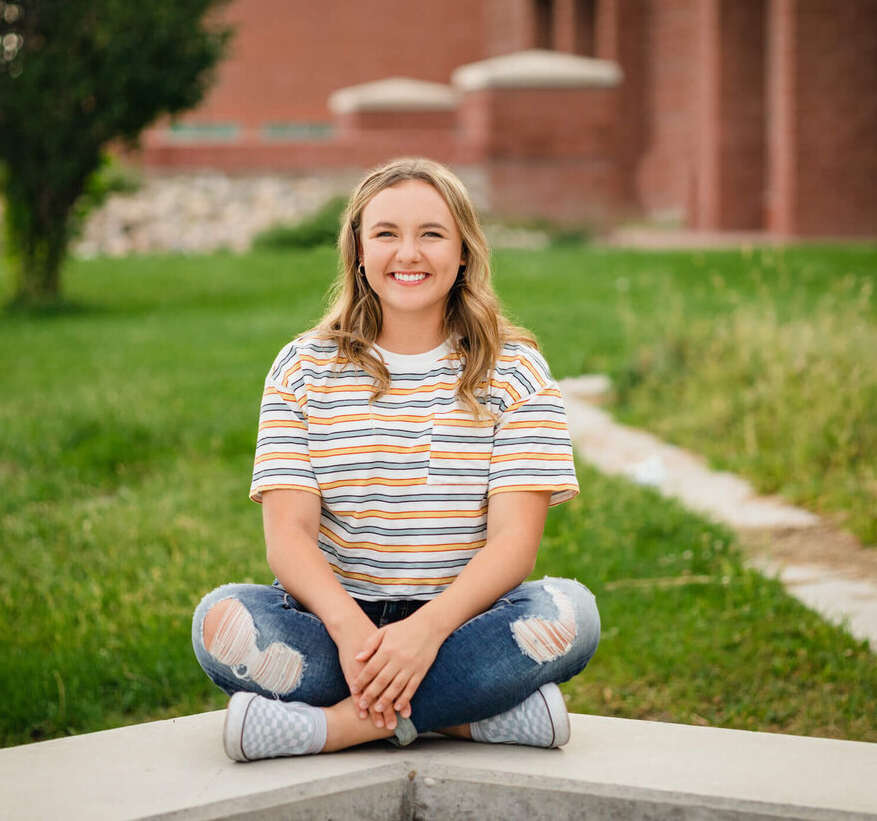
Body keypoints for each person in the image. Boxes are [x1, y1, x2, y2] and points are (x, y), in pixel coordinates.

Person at [191, 157, 599, 762]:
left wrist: (426, 633)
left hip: (465, 622)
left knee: (572, 615)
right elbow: (289, 537)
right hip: (334, 626)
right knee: (221, 621)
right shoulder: (302, 369)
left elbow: (515, 545)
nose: (408, 253)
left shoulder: (515, 372)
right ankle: (470, 717)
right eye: (386, 234)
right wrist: (354, 630)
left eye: (431, 234)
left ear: (464, 252)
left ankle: (334, 728)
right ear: (358, 249)